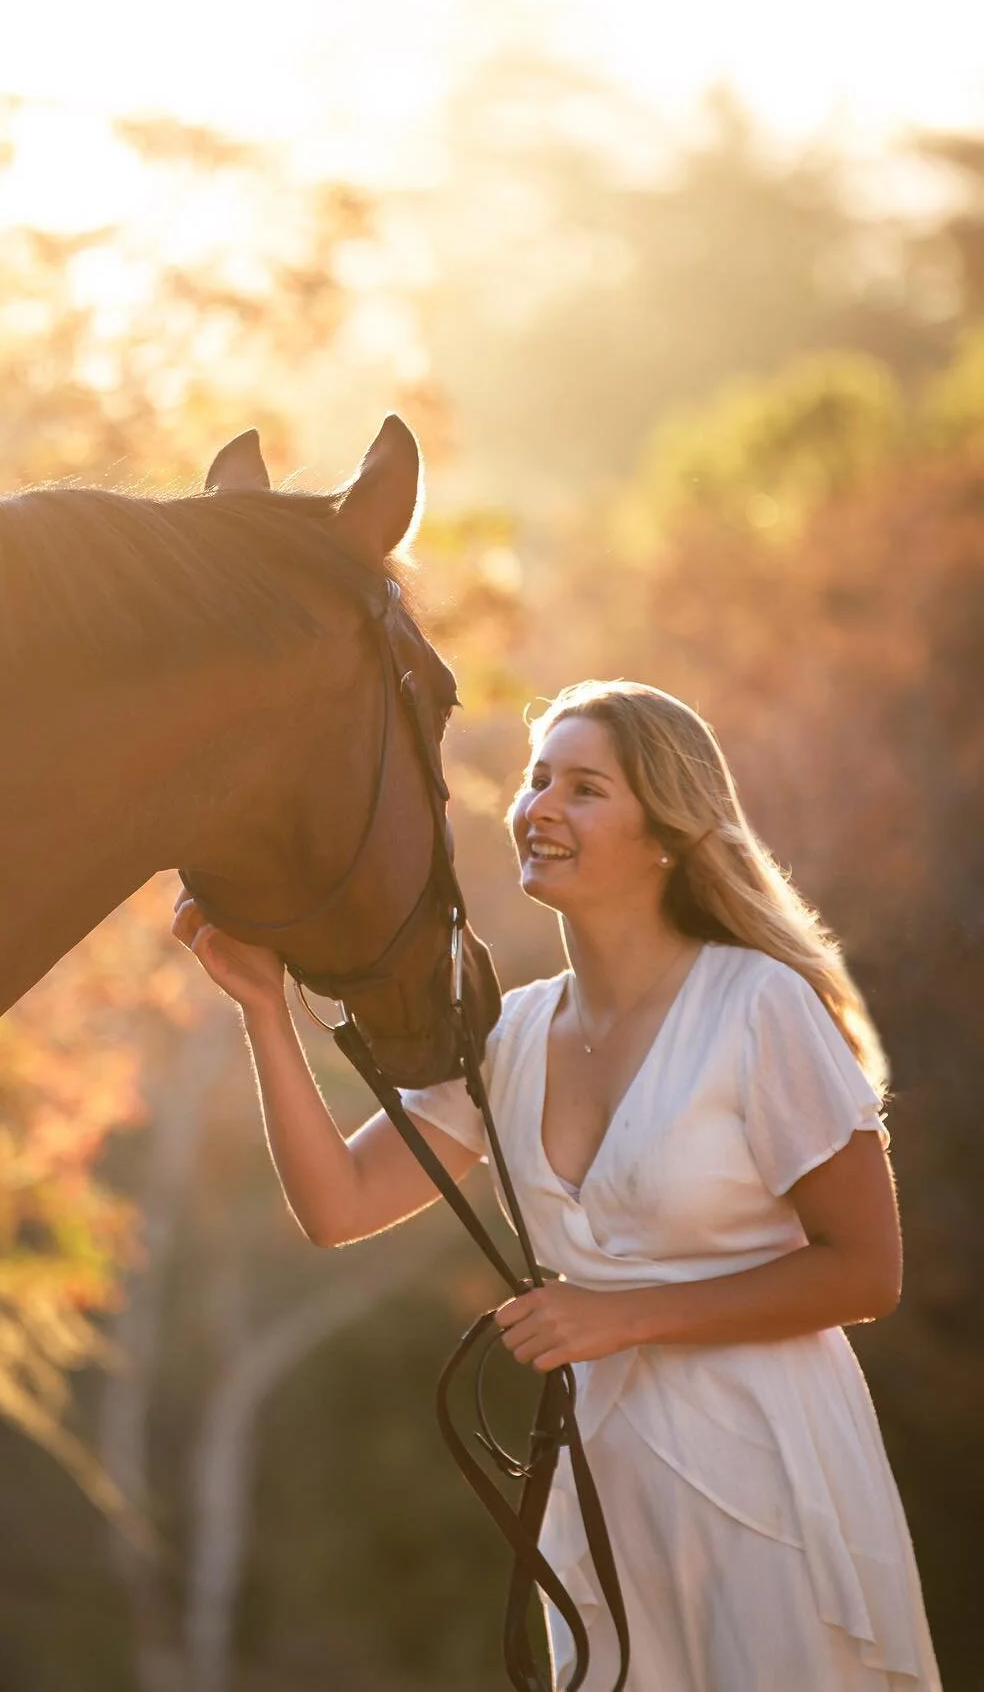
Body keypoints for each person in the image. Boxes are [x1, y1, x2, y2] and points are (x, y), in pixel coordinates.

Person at [172, 678, 941, 1691]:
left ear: (667, 831)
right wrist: (265, 1013)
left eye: (585, 788)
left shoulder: (759, 1006)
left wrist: (617, 1316)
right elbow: (340, 1204)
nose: (539, 807)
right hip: (601, 1489)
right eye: (538, 780)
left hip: (767, 1470)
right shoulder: (508, 1032)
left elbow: (866, 1273)